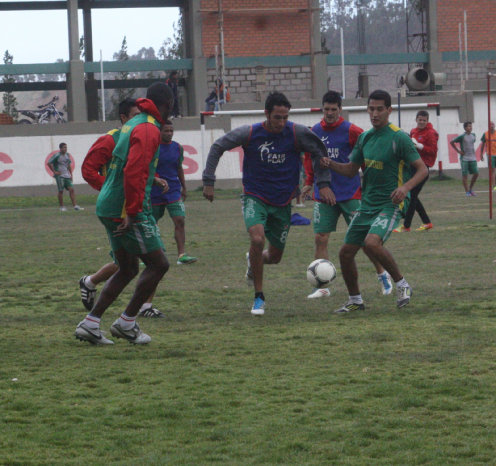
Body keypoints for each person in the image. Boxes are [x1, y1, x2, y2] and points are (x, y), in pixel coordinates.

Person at [202, 91, 335, 316]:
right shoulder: (250, 133)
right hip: (255, 196)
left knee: (274, 257)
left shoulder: (296, 133)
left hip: (283, 202)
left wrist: (322, 183)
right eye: (277, 118)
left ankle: (253, 260)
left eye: (285, 117)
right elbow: (218, 147)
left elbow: (319, 151)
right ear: (266, 114)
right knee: (256, 238)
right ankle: (259, 298)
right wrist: (208, 180)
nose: (281, 122)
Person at [74, 82, 174, 345]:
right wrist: (131, 210)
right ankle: (127, 322)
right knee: (159, 264)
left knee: (128, 267)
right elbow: (134, 170)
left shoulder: (133, 123)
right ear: (168, 105)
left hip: (108, 203)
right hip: (124, 207)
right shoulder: (149, 128)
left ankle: (90, 324)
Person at [322, 89, 428, 313]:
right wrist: (329, 163)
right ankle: (355, 300)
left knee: (371, 243)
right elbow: (351, 170)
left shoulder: (398, 137)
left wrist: (405, 187)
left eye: (380, 109)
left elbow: (422, 169)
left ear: (389, 110)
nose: (375, 113)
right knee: (345, 253)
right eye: (371, 109)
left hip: (391, 203)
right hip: (368, 204)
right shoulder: (365, 137)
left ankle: (402, 284)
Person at [301, 90, 392, 299]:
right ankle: (322, 286)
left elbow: (367, 151)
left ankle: (382, 275)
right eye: (326, 109)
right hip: (323, 194)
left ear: (340, 110)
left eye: (333, 109)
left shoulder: (352, 131)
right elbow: (310, 159)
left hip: (350, 193)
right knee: (320, 237)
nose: (330, 113)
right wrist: (308, 182)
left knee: (364, 240)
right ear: (322, 109)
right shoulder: (314, 131)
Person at [78, 98, 140, 312]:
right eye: (135, 116)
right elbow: (88, 170)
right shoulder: (110, 140)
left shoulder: (140, 137)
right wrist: (110, 190)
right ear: (124, 119)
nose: (140, 120)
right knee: (146, 259)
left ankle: (91, 284)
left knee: (139, 259)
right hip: (118, 208)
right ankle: (136, 310)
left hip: (136, 204)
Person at [394, 110, 438, 232]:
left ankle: (406, 226)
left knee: (412, 195)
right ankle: (427, 223)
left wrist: (420, 146)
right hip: (413, 167)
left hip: (423, 169)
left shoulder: (431, 133)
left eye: (424, 120)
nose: (422, 122)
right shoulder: (413, 131)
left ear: (427, 121)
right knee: (413, 196)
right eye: (420, 120)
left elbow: (433, 151)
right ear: (416, 119)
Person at [47, 142, 83, 212]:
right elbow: (49, 163)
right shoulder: (57, 155)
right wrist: (54, 172)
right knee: (61, 191)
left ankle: (75, 206)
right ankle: (62, 207)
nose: (65, 149)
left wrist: (71, 175)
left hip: (66, 175)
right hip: (60, 176)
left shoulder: (67, 155)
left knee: (71, 189)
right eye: (64, 147)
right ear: (60, 149)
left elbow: (68, 165)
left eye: (66, 147)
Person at [450, 122, 478, 197]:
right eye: (469, 126)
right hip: (464, 158)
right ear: (465, 128)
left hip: (473, 158)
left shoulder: (473, 135)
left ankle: (471, 189)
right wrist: (458, 151)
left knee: (476, 173)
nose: (470, 127)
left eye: (471, 126)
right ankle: (467, 192)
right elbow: (451, 142)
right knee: (465, 175)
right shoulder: (462, 136)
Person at [480, 121, 496, 191]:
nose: (491, 126)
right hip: (490, 154)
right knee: (492, 170)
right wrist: (481, 154)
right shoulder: (485, 134)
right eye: (490, 125)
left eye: (493, 124)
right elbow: (482, 144)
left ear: (494, 125)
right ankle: (494, 186)